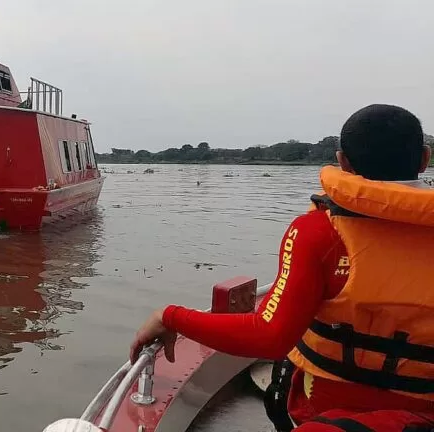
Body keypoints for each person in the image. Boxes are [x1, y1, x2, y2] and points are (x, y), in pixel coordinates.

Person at [130, 104, 434, 432]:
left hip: (326, 413)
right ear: (424, 159)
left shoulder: (318, 232)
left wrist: (170, 316)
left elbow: (270, 337)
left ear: (342, 161)